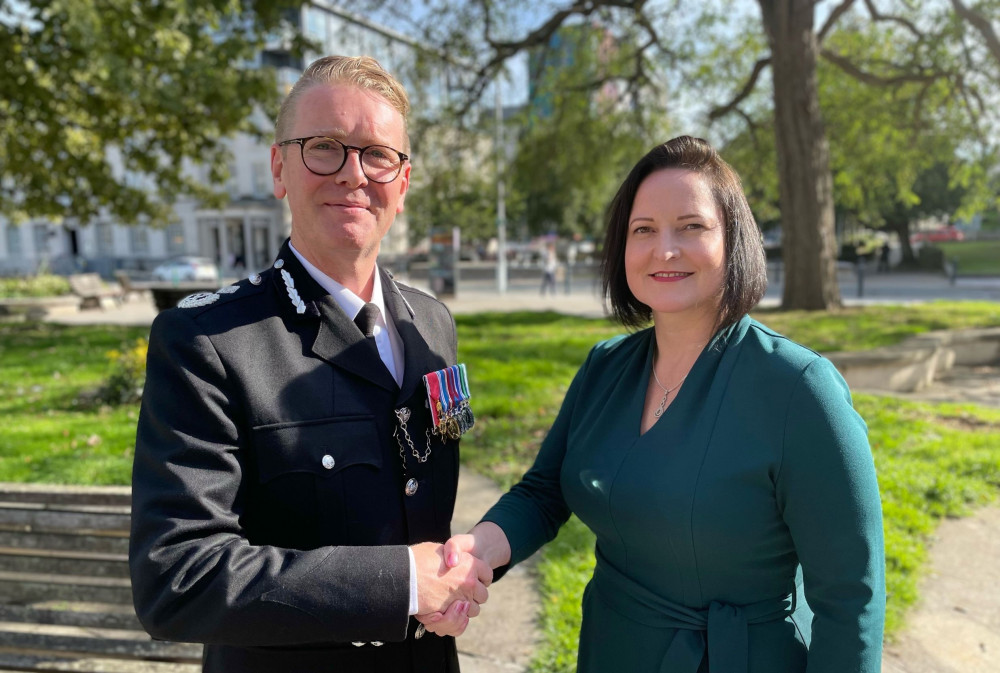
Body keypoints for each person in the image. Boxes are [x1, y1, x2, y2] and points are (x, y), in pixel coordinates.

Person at [432, 136, 886, 672]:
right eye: (643, 229)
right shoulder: (606, 366)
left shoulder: (799, 389)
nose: (663, 249)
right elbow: (544, 491)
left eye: (690, 227)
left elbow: (851, 599)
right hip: (611, 651)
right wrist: (479, 549)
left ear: (733, 239)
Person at [129, 55, 491, 673]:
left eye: (378, 154)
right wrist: (401, 582)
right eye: (325, 147)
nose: (354, 174)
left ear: (402, 183)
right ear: (279, 168)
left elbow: (426, 483)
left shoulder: (433, 324)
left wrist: (449, 577)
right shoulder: (207, 340)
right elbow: (177, 577)